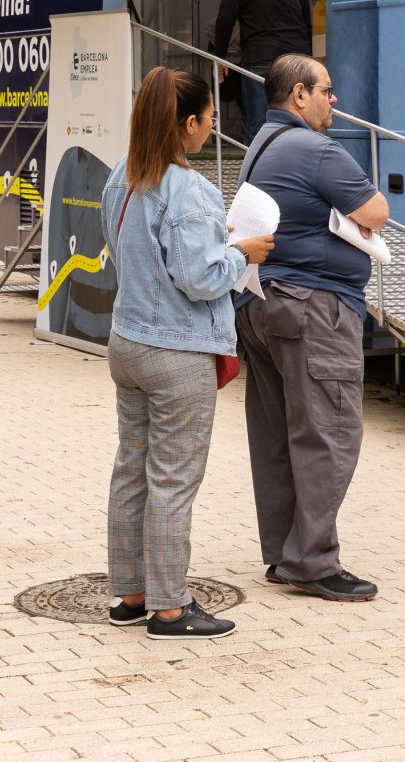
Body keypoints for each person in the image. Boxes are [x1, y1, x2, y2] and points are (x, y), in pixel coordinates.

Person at [100, 68, 274, 640]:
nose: (212, 129)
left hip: (127, 341)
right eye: (210, 120)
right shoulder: (191, 188)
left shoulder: (118, 179)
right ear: (190, 123)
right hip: (177, 350)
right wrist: (241, 251)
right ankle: (171, 608)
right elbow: (201, 277)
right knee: (173, 479)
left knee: (132, 470)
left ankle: (130, 594)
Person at [234, 53, 389, 601]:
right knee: (330, 434)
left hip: (262, 302)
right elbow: (375, 211)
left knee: (277, 437)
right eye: (326, 90)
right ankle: (314, 563)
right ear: (299, 95)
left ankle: (283, 554)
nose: (334, 100)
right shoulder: (315, 148)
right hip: (314, 309)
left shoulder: (261, 144)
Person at [212, 0, 312, 143]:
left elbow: (225, 20)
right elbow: (306, 21)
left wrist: (220, 58)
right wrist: (308, 59)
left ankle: (257, 176)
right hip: (296, 60)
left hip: (260, 60)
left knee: (258, 125)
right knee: (296, 122)